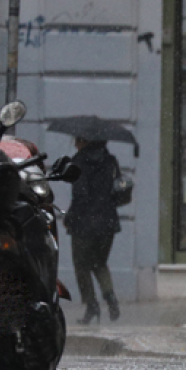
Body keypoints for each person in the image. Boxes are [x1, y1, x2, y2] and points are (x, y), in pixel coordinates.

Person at [65, 137, 121, 324]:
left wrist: (70, 218)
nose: (75, 144)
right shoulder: (111, 161)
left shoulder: (79, 162)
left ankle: (92, 305)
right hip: (108, 221)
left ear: (84, 142)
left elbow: (80, 196)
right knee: (99, 262)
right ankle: (110, 298)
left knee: (81, 266)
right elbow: (117, 191)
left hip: (85, 223)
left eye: (77, 140)